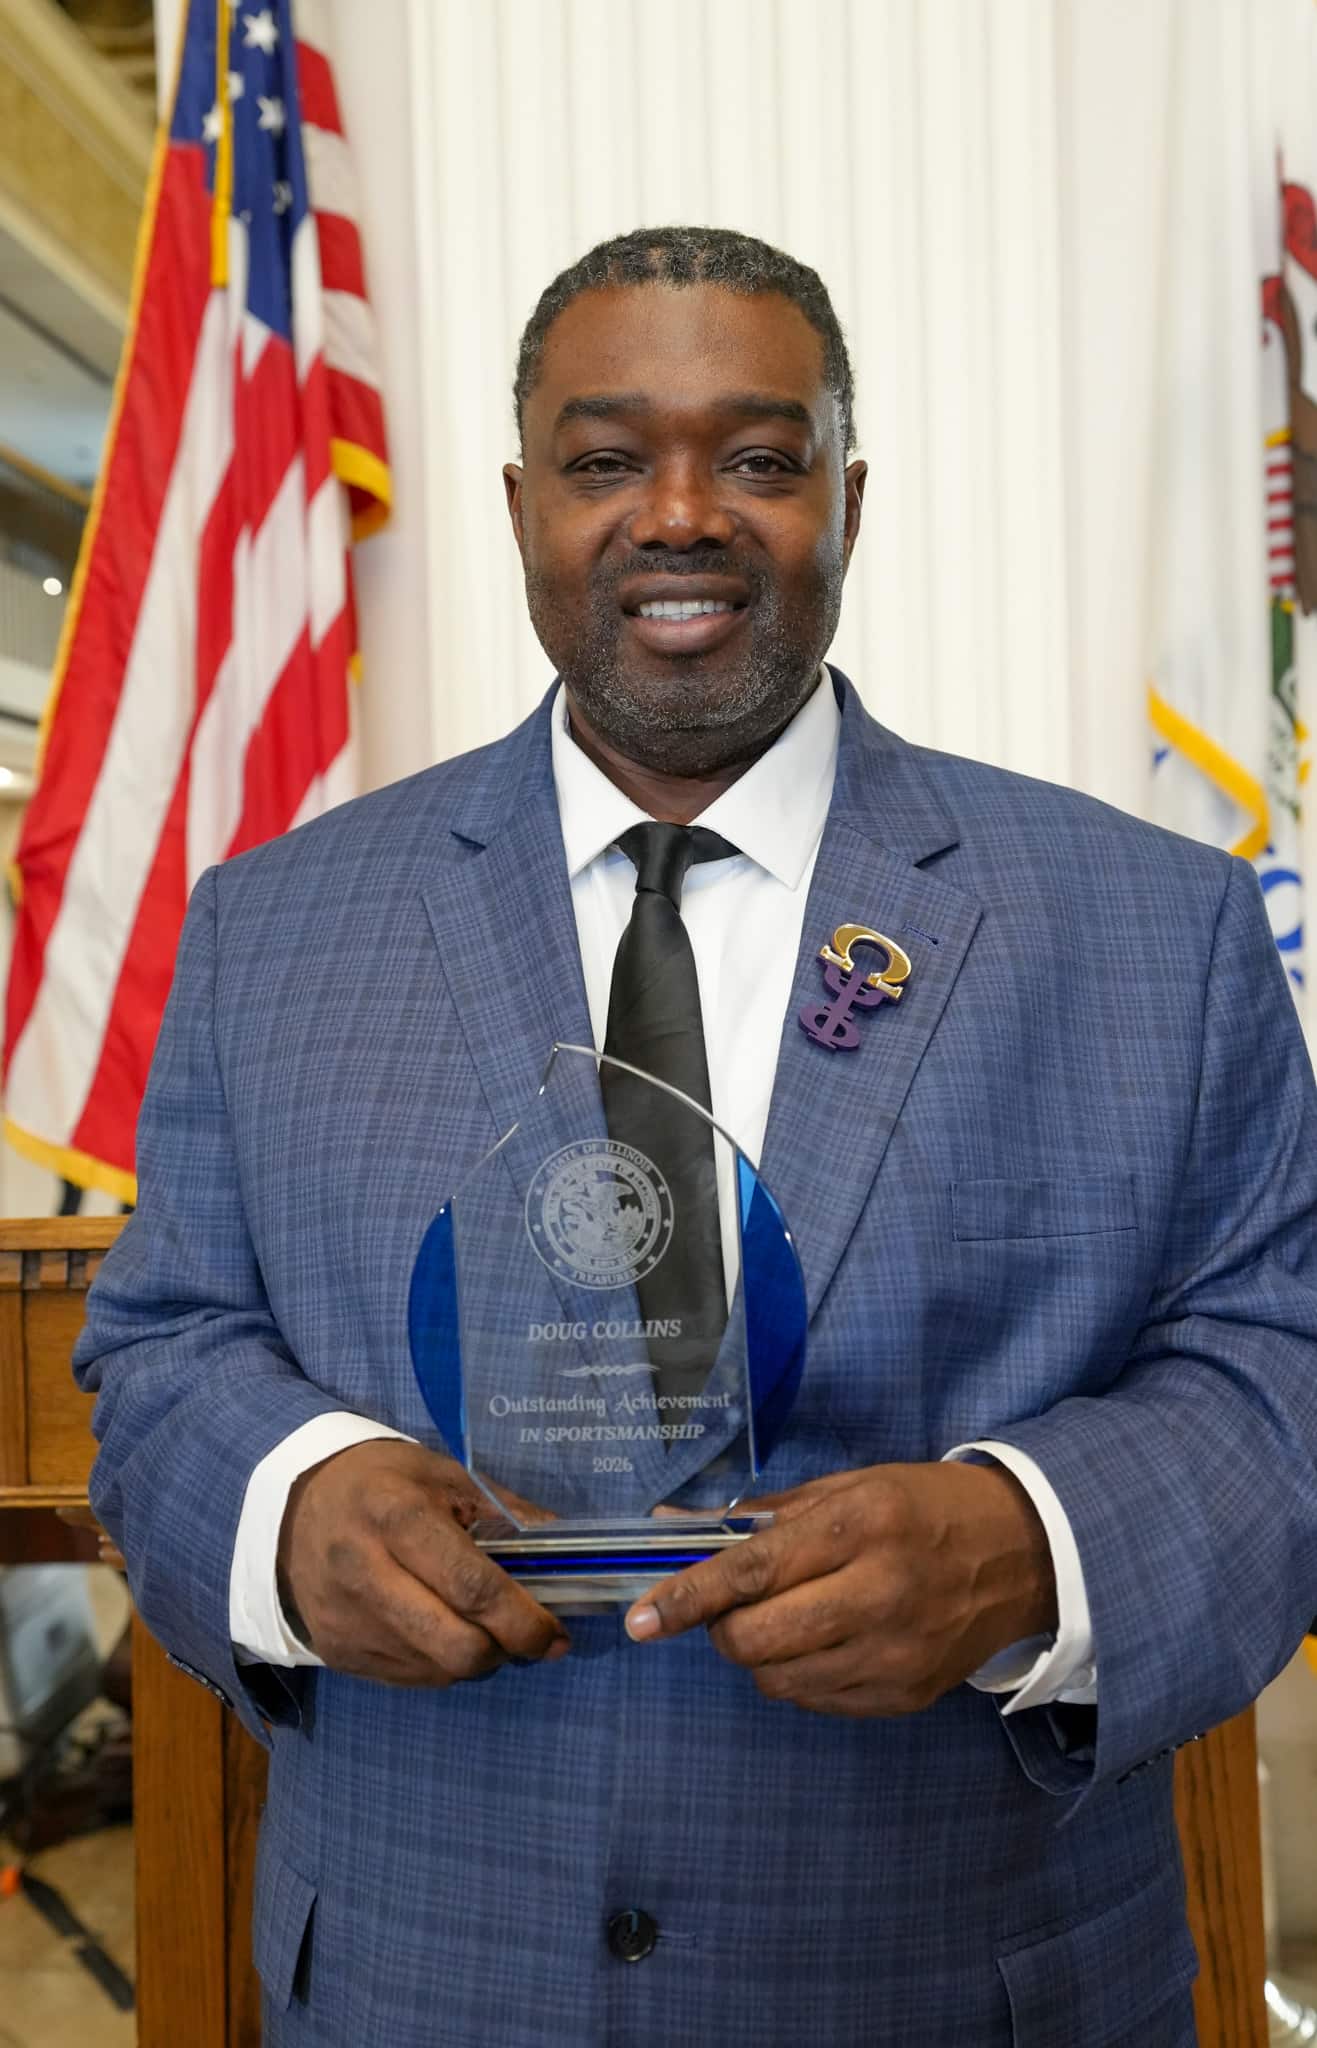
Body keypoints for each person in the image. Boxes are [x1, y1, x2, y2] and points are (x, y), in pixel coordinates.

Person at [74, 226, 1317, 2048]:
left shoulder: (1150, 927)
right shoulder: (275, 924)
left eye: (756, 457)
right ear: (520, 507)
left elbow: (1278, 1375)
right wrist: (285, 1508)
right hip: (429, 1979)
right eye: (604, 460)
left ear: (848, 500)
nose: (679, 515)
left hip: (955, 1978)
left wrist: (1030, 1543)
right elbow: (165, 1343)